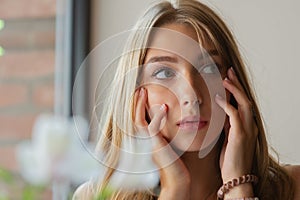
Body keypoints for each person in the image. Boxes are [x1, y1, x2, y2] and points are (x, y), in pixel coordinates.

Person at [73, 0, 300, 199]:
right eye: (164, 73)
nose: (191, 95)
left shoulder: (293, 188)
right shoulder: (94, 196)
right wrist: (174, 190)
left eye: (208, 68)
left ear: (234, 84)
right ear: (135, 94)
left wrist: (238, 187)